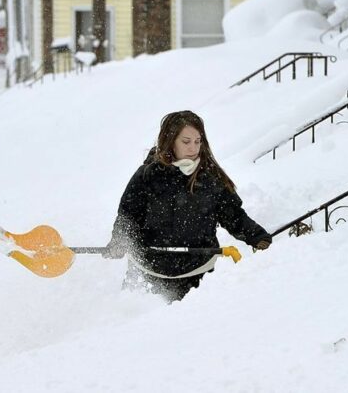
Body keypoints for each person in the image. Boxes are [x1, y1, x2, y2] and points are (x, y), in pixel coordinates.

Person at [104, 110, 272, 302]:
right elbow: (128, 216)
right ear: (170, 141)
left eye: (197, 141)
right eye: (186, 142)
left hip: (198, 278)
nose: (193, 148)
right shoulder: (147, 176)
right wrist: (120, 240)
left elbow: (233, 216)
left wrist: (258, 237)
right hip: (147, 275)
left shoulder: (211, 179)